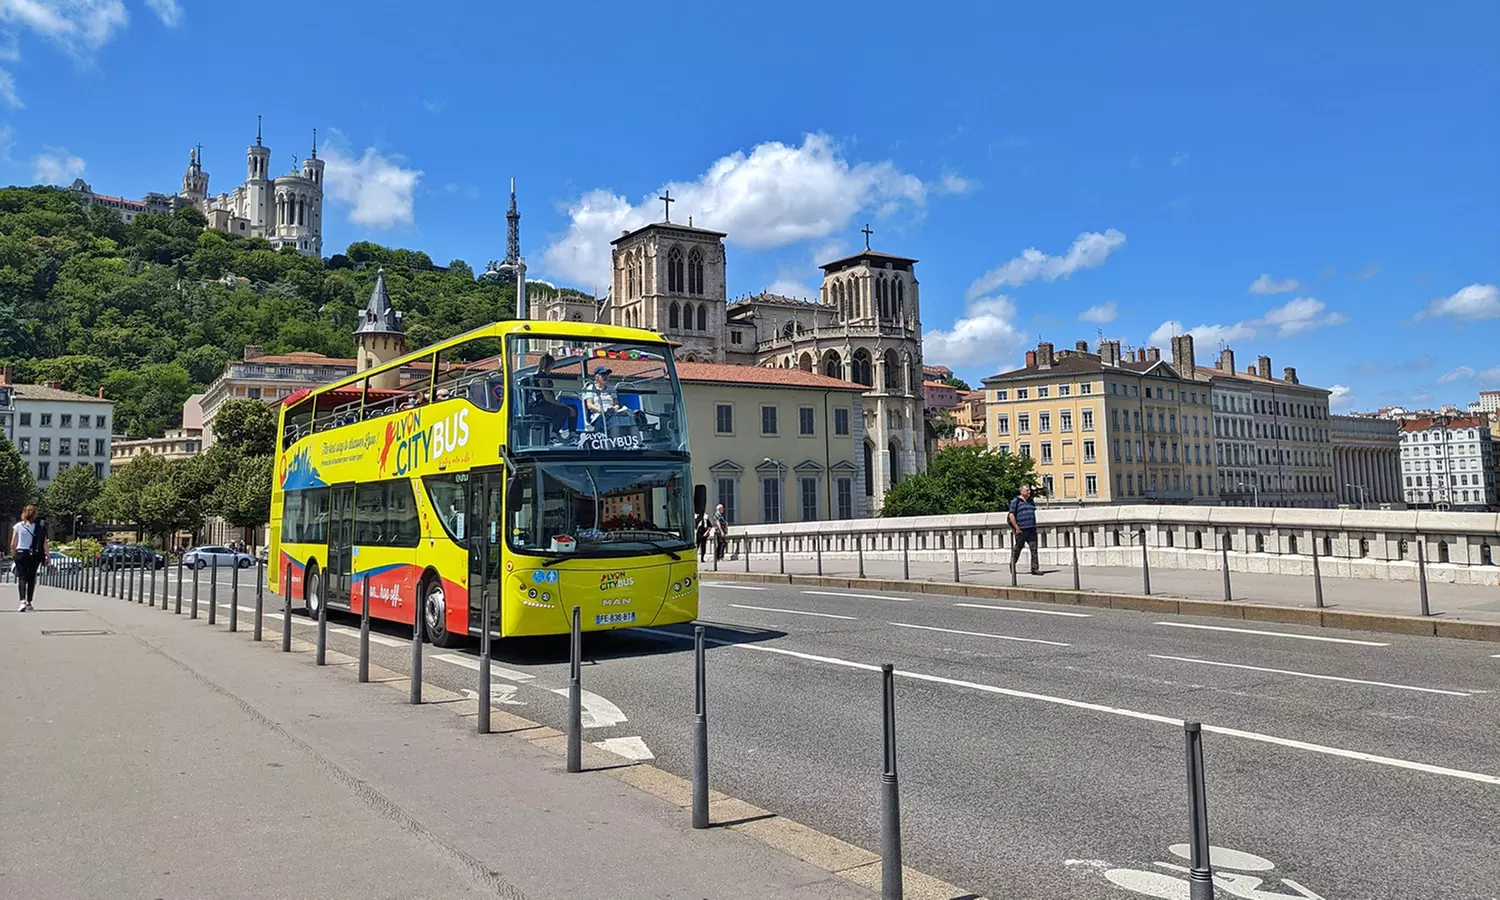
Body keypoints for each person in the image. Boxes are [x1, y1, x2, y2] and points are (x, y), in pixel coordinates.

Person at [525, 354, 576, 437]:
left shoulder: (545, 377)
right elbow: (547, 398)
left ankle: (572, 434)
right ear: (551, 365)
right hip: (538, 406)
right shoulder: (542, 377)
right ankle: (554, 434)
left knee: (573, 407)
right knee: (564, 410)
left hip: (545, 404)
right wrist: (564, 406)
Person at [11, 505, 47, 612]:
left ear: (24, 513)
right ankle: (29, 602)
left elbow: (13, 543)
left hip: (20, 553)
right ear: (35, 514)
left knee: (22, 577)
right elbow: (44, 542)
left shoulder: (18, 526)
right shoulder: (39, 527)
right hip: (34, 554)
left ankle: (22, 601)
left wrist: (13, 554)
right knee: (31, 578)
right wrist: (47, 555)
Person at [583, 366, 633, 431]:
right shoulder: (591, 388)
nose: (606, 376)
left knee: (630, 413)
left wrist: (614, 409)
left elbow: (616, 404)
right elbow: (589, 405)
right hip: (599, 415)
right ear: (596, 377)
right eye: (603, 374)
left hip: (612, 414)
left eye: (607, 374)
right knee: (610, 419)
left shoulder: (611, 389)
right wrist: (602, 411)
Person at [1008, 484, 1041, 576]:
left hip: (1031, 528)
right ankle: (1012, 565)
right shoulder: (1016, 501)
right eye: (1027, 490)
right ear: (1022, 492)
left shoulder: (1031, 501)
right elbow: (1011, 515)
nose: (1029, 492)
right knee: (1018, 548)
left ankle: (1035, 568)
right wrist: (1017, 528)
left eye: (1029, 490)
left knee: (1034, 549)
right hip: (1021, 530)